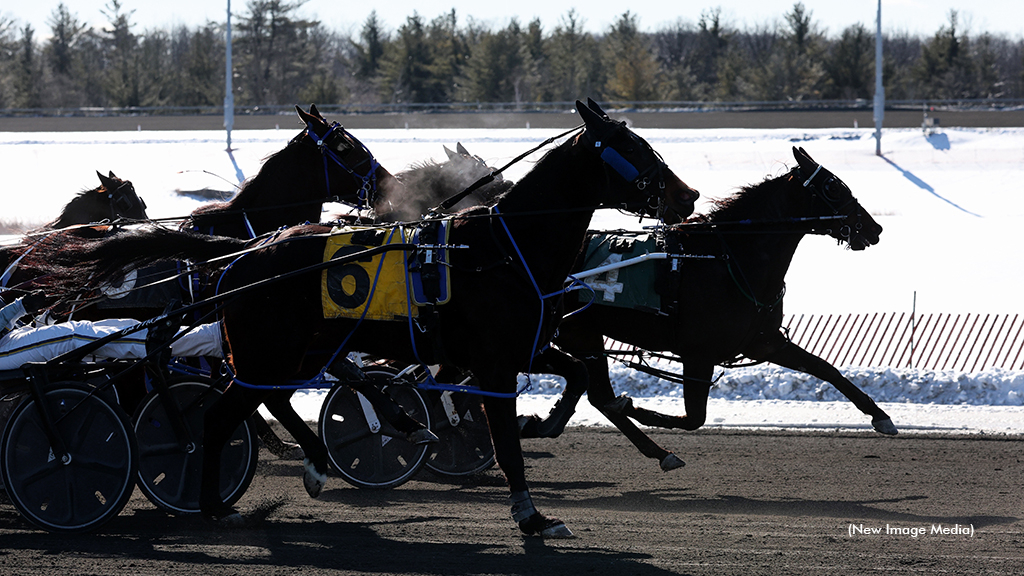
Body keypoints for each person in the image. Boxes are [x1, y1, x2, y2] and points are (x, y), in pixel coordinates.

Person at [0, 290, 222, 370]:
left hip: (10, 337)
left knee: (113, 326)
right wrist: (19, 307)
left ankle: (210, 337)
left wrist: (38, 321)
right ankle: (155, 343)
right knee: (74, 334)